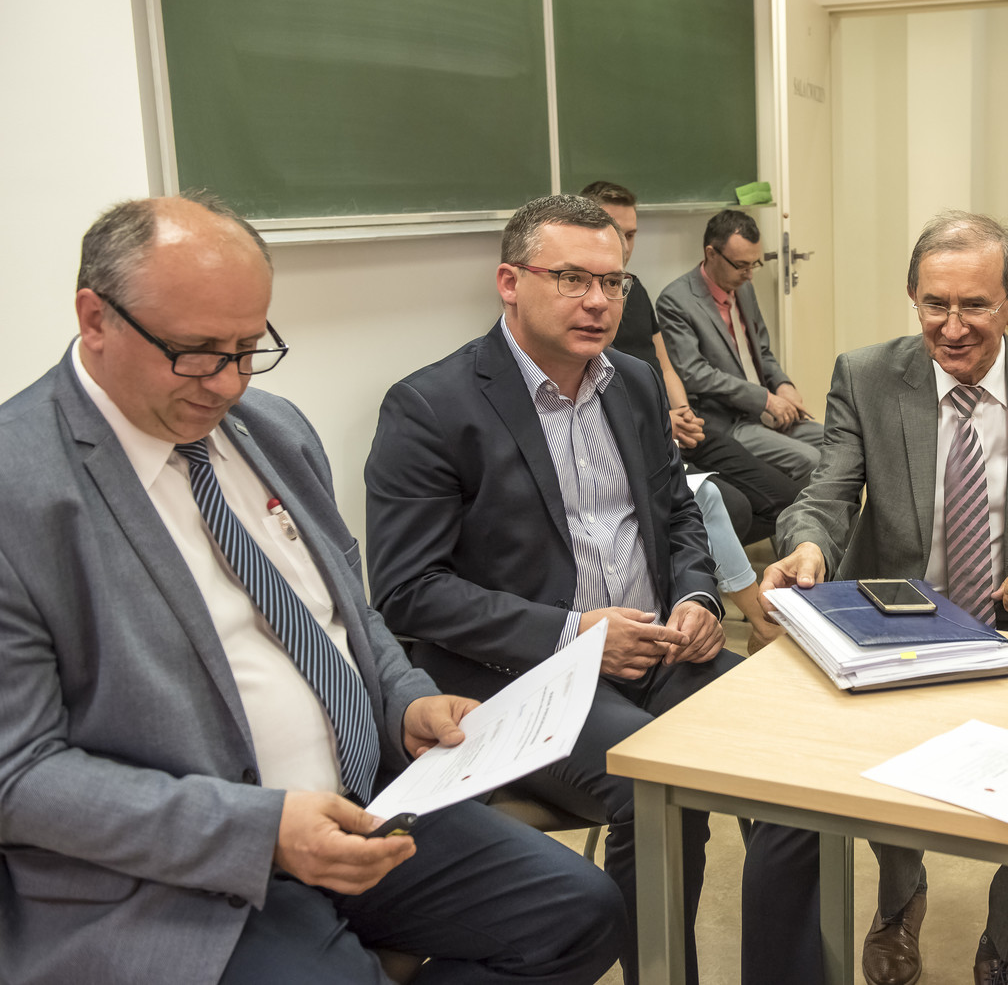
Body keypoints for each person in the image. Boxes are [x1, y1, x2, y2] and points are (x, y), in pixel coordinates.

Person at [0, 195, 624, 985]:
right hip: (172, 872)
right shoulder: (21, 489)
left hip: (358, 804)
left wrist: (404, 700)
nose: (227, 384)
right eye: (196, 353)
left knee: (580, 912)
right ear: (95, 319)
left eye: (248, 348)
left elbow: (344, 613)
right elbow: (19, 776)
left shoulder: (273, 430)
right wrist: (260, 830)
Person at [363, 194, 821, 985]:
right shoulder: (432, 406)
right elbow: (408, 591)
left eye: (612, 282)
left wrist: (698, 598)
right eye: (572, 279)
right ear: (510, 282)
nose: (599, 301)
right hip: (524, 676)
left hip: (660, 648)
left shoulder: (633, 383)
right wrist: (573, 633)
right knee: (656, 780)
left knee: (795, 764)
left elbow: (678, 511)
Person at [762, 212, 1008, 985]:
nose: (953, 326)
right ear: (913, 296)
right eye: (935, 304)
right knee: (883, 765)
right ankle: (900, 902)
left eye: (975, 306)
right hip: (899, 619)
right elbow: (827, 494)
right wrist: (807, 547)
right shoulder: (867, 375)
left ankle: (1003, 945)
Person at [580, 180, 797, 650]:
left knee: (783, 492)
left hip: (676, 423)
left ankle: (779, 609)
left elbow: (664, 364)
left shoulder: (633, 291)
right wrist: (665, 418)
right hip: (648, 431)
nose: (624, 243)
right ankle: (756, 621)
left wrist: (677, 409)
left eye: (631, 233)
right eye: (614, 229)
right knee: (725, 504)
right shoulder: (588, 309)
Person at [657, 210, 825, 482]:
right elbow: (695, 374)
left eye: (753, 264)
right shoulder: (676, 301)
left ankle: (847, 514)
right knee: (811, 459)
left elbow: (763, 351)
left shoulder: (743, 288)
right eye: (741, 265)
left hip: (764, 410)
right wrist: (765, 399)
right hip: (728, 420)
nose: (749, 275)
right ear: (711, 254)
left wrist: (783, 385)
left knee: (840, 443)